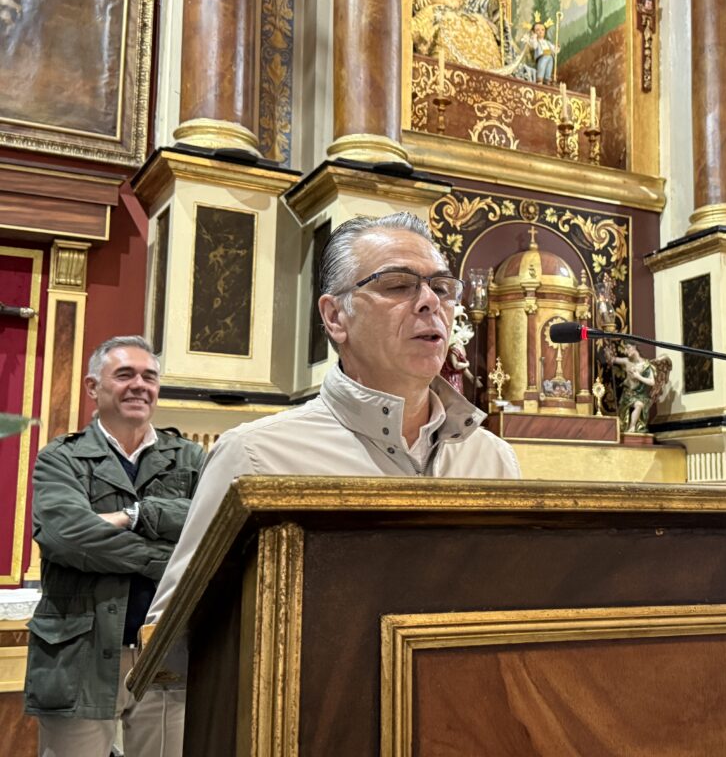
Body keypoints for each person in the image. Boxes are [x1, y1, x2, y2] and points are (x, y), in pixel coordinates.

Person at [147, 212, 521, 623]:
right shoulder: (256, 457)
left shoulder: (491, 459)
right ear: (335, 317)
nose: (431, 301)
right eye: (398, 285)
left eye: (442, 288)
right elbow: (175, 634)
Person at [25, 336, 204, 757]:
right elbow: (66, 536)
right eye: (125, 375)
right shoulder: (61, 458)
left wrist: (137, 515)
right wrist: (165, 557)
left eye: (149, 377)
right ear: (93, 387)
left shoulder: (191, 458)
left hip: (168, 652)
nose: (139, 385)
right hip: (78, 655)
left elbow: (212, 525)